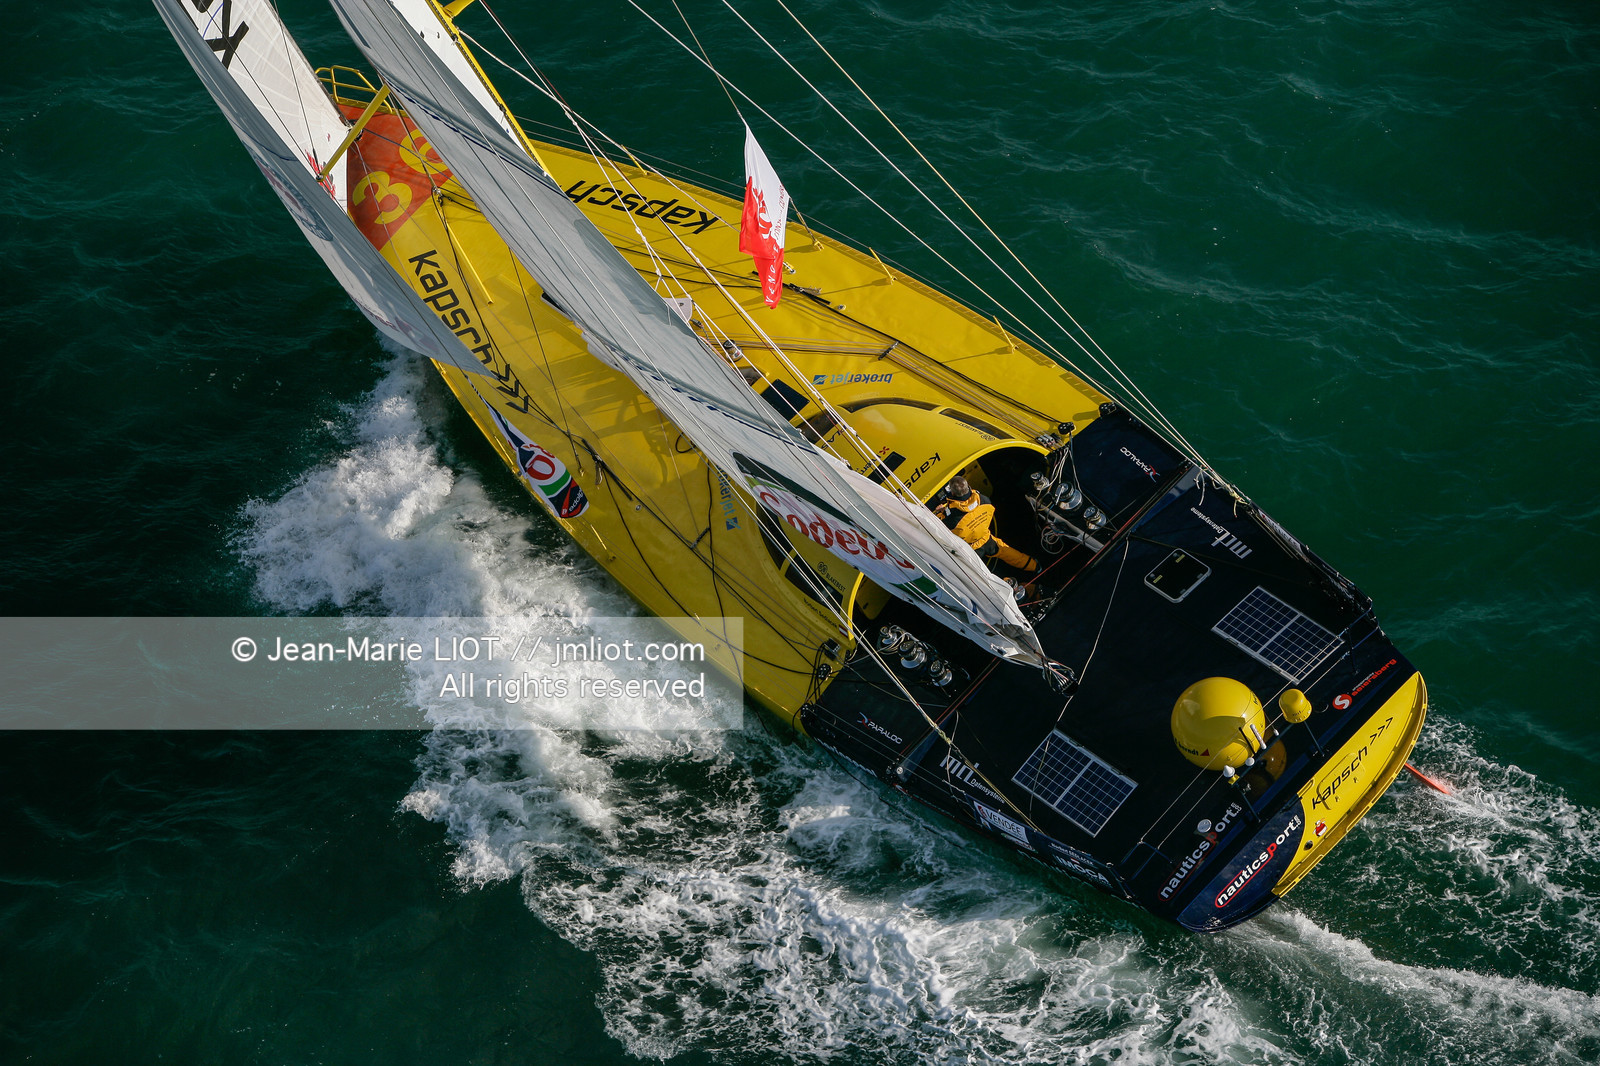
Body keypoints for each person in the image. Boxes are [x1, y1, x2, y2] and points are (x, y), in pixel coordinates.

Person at [932, 476, 1038, 574]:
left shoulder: (950, 520)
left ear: (953, 493)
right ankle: (1035, 566)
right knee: (1007, 551)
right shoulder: (984, 500)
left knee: (973, 573)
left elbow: (935, 526)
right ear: (968, 486)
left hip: (970, 549)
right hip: (986, 537)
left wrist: (939, 512)